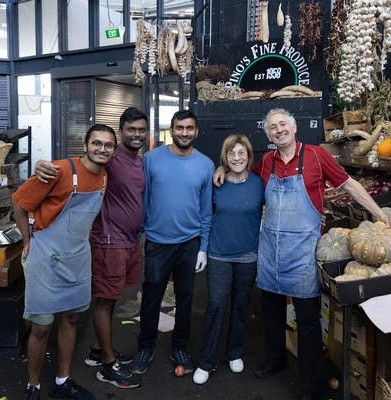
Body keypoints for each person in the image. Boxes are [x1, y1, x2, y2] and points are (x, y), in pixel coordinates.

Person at [214, 108, 391, 400]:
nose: (278, 130)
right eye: (272, 127)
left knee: (308, 320)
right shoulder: (266, 162)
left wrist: (380, 215)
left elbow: (349, 184)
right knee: (271, 311)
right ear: (268, 134)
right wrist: (222, 168)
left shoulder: (315, 156)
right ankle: (276, 359)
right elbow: (241, 171)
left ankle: (309, 383)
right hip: (270, 249)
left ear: (294, 127)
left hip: (301, 251)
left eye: (282, 124)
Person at [34, 107, 148, 389]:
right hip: (109, 241)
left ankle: (98, 351)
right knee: (105, 301)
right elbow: (82, 164)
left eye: (141, 130)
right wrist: (42, 166)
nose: (136, 134)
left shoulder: (138, 160)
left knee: (113, 299)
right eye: (130, 129)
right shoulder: (111, 157)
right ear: (121, 131)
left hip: (130, 241)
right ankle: (108, 364)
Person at [13, 124, 117, 400]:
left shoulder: (104, 177)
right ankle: (33, 386)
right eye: (97, 143)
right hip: (46, 257)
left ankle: (62, 381)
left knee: (71, 319)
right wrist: (27, 241)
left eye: (108, 145)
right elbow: (19, 204)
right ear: (85, 145)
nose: (102, 149)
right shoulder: (57, 171)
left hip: (78, 257)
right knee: (42, 326)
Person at [131, 110, 214, 376]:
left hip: (189, 244)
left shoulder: (205, 164)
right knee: (151, 298)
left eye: (190, 128)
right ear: (172, 129)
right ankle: (145, 347)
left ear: (196, 131)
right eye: (180, 128)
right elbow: (143, 198)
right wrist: (140, 231)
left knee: (186, 299)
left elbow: (206, 210)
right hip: (157, 242)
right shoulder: (151, 159)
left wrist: (204, 246)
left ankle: (179, 347)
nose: (185, 133)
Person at [192, 135, 265, 385]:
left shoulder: (258, 183)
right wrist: (203, 248)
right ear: (224, 157)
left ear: (248, 156)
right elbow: (205, 216)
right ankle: (206, 361)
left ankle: (234, 352)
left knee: (241, 306)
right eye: (231, 154)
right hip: (219, 254)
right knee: (215, 305)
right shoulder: (216, 183)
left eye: (241, 153)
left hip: (248, 255)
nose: (236, 158)